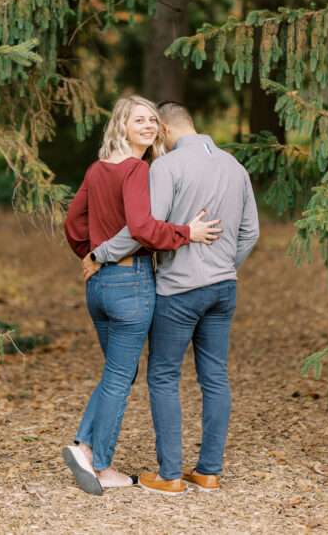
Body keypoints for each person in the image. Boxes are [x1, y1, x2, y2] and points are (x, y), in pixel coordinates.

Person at [86, 100, 259, 495]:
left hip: (179, 290)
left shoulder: (166, 167)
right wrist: (222, 265)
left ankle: (170, 475)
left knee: (163, 376)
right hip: (223, 287)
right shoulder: (235, 166)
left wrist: (101, 253)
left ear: (163, 129)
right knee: (214, 377)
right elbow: (250, 233)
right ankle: (209, 472)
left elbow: (142, 229)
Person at [63, 95, 221, 496]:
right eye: (140, 120)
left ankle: (84, 447)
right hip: (131, 285)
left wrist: (90, 254)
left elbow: (72, 221)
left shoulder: (98, 169)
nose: (149, 126)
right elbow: (142, 228)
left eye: (153, 120)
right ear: (121, 125)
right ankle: (97, 463)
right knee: (120, 376)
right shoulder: (136, 169)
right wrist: (188, 233)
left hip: (98, 288)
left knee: (118, 372)